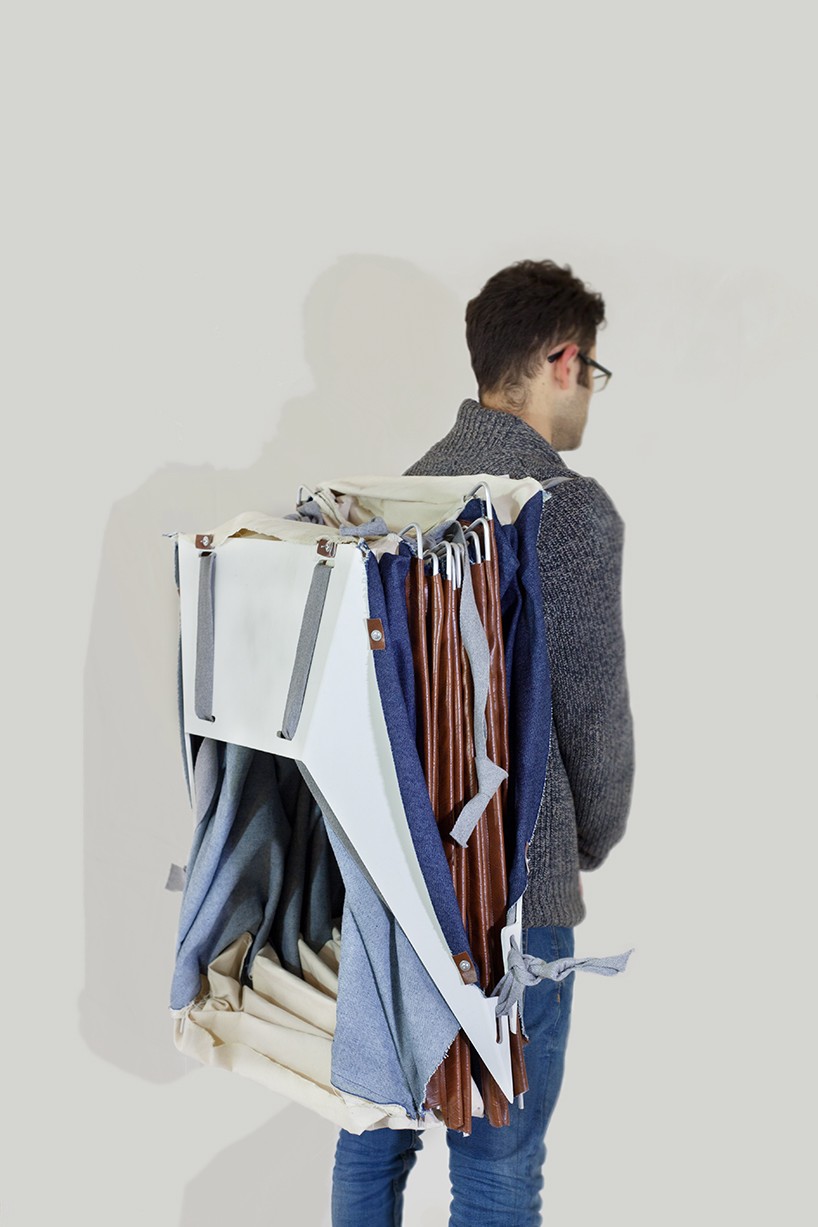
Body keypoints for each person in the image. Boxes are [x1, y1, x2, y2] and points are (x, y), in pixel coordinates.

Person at [331, 258, 635, 1227]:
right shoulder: (568, 510)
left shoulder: (391, 497)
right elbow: (594, 727)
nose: (587, 394)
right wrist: (586, 842)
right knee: (498, 1173)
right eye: (590, 373)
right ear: (562, 360)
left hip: (391, 888)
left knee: (371, 1139)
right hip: (516, 896)